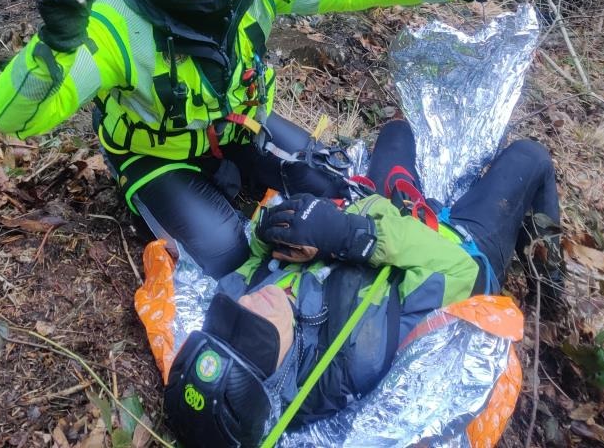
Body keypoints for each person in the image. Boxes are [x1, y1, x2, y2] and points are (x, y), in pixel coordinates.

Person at [0, 0, 535, 278]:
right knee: (228, 253)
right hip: (158, 158)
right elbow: (12, 118)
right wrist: (51, 48)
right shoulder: (113, 29)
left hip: (240, 126)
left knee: (338, 187)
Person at [163, 120, 565, 447]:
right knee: (530, 157)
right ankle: (553, 277)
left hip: (378, 213)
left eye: (227, 319)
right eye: (252, 332)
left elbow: (253, 257)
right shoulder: (358, 351)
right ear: (279, 380)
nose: (250, 304)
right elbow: (457, 270)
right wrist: (353, 237)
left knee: (396, 131)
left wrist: (269, 230)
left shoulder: (242, 302)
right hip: (451, 242)